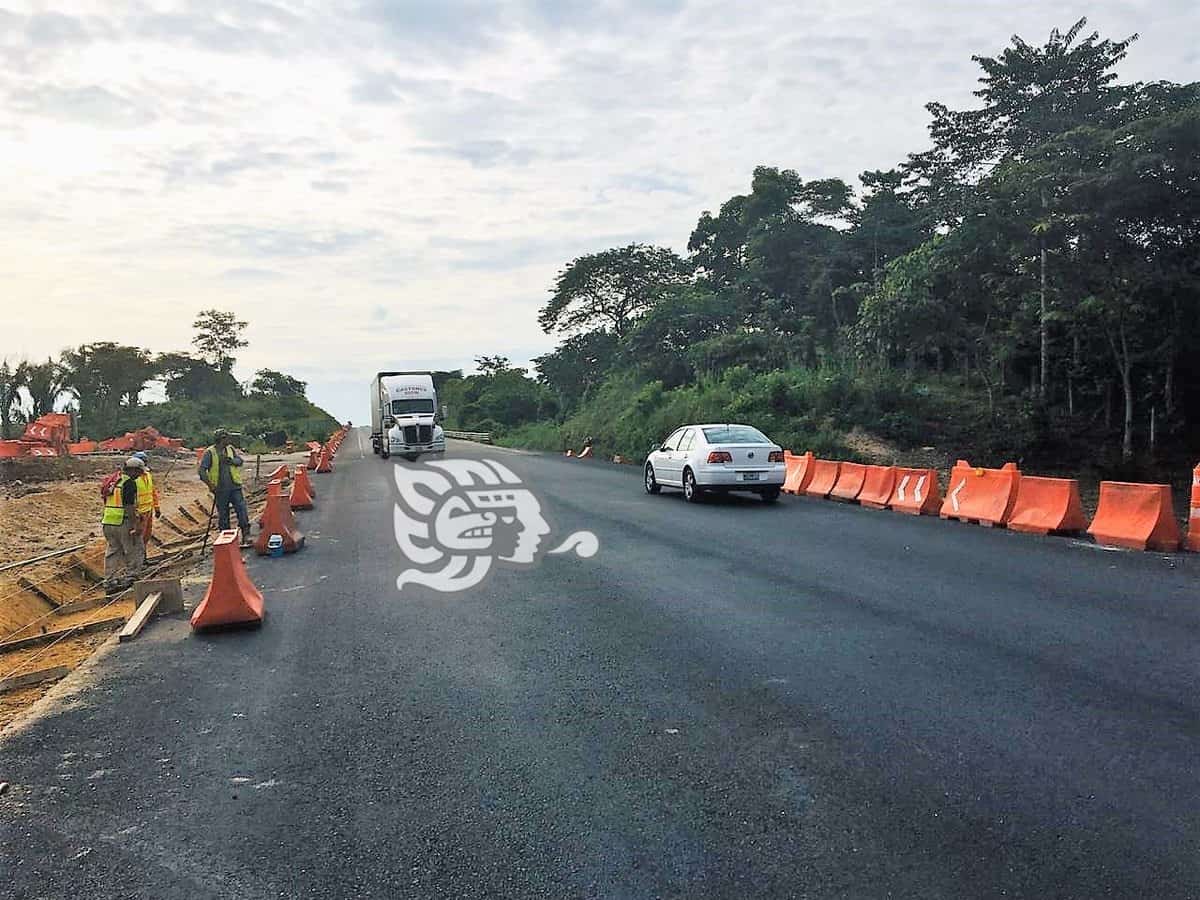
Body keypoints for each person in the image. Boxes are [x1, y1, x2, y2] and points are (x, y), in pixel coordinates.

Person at [199, 428, 252, 545]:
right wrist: (210, 485)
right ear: (222, 439)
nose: (228, 440)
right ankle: (227, 540)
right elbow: (202, 471)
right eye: (226, 438)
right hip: (220, 489)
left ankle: (246, 534)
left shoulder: (230, 449)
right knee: (223, 515)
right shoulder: (210, 452)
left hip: (234, 487)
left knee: (241, 510)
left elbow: (240, 461)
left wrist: (232, 461)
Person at [102, 456, 146, 591]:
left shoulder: (114, 480)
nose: (139, 475)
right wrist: (136, 524)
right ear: (133, 470)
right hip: (124, 521)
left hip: (108, 521)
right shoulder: (129, 483)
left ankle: (109, 581)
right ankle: (131, 578)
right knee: (134, 549)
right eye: (139, 472)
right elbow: (129, 505)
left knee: (113, 551)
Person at [132, 450, 161, 544]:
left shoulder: (148, 475)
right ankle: (137, 556)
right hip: (139, 513)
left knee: (146, 536)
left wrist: (156, 507)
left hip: (148, 510)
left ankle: (142, 555)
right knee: (138, 537)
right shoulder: (133, 478)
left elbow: (153, 492)